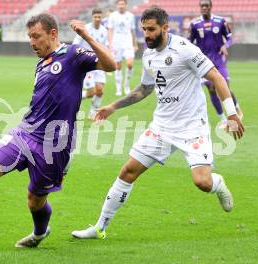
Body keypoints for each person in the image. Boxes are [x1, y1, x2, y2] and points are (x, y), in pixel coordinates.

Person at [0, 13, 116, 248]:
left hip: (54, 145)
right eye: (29, 37)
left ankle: (39, 233)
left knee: (35, 200)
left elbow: (111, 65)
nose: (32, 43)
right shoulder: (41, 64)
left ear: (53, 34)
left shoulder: (73, 55)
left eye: (37, 36)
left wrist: (85, 35)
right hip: (25, 133)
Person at [71, 6, 245, 240]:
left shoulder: (186, 49)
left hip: (192, 127)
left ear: (165, 27)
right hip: (161, 127)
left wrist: (232, 114)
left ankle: (218, 183)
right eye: (143, 29)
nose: (147, 34)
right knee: (127, 171)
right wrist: (113, 106)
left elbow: (216, 77)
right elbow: (145, 89)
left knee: (202, 182)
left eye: (151, 29)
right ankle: (99, 227)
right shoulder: (149, 54)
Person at [189, 0, 243, 128]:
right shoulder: (195, 24)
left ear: (211, 7)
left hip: (219, 59)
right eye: (202, 6)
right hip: (203, 61)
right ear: (200, 8)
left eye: (206, 6)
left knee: (225, 87)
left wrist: (226, 45)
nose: (204, 8)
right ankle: (223, 119)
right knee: (212, 90)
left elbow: (229, 37)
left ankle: (237, 110)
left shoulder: (220, 21)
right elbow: (190, 42)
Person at [72, 8, 108, 119]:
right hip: (87, 63)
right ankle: (73, 98)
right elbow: (75, 44)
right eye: (95, 17)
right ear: (92, 17)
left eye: (99, 17)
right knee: (91, 92)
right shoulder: (85, 29)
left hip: (100, 63)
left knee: (100, 91)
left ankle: (93, 113)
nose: (97, 19)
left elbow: (104, 47)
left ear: (102, 17)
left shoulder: (104, 31)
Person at [108, 0, 138, 96]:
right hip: (116, 43)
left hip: (128, 42)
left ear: (126, 5)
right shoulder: (112, 16)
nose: (121, 6)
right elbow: (110, 30)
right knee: (118, 66)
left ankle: (126, 86)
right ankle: (118, 88)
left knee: (129, 64)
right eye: (119, 4)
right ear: (117, 5)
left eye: (123, 4)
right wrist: (110, 44)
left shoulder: (130, 16)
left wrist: (135, 44)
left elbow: (133, 31)